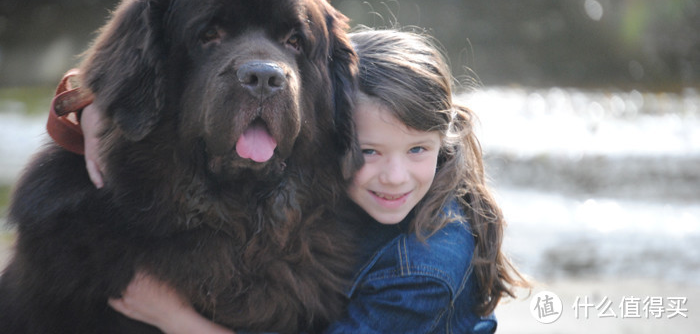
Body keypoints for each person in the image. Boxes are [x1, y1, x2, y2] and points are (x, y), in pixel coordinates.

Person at [48, 28, 528, 333]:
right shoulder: (320, 159)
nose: (395, 177)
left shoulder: (424, 268)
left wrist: (173, 318)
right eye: (368, 152)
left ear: (442, 140)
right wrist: (92, 110)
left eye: (417, 150)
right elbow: (168, 89)